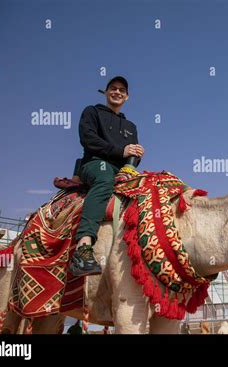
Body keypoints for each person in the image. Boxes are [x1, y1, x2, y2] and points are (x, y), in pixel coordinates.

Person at [68, 76, 145, 276]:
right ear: (106, 92)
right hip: (95, 164)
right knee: (104, 179)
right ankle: (83, 248)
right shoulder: (92, 112)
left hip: (122, 169)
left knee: (152, 188)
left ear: (127, 97)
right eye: (113, 88)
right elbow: (88, 140)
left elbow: (130, 154)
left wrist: (135, 155)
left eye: (122, 90)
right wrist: (122, 150)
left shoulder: (131, 127)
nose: (117, 92)